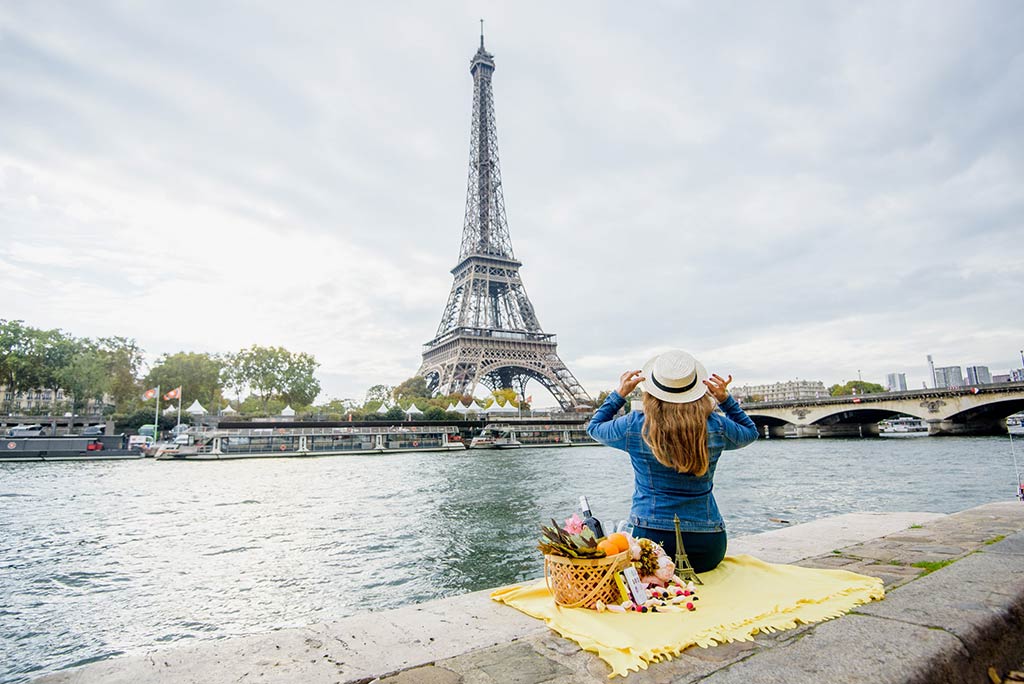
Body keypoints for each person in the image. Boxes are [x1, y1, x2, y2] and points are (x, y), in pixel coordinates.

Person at [587, 349, 758, 573]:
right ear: (697, 389)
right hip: (708, 545)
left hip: (651, 544)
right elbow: (750, 432)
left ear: (651, 390)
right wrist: (725, 399)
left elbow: (594, 427)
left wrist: (619, 394)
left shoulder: (635, 425)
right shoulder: (716, 425)